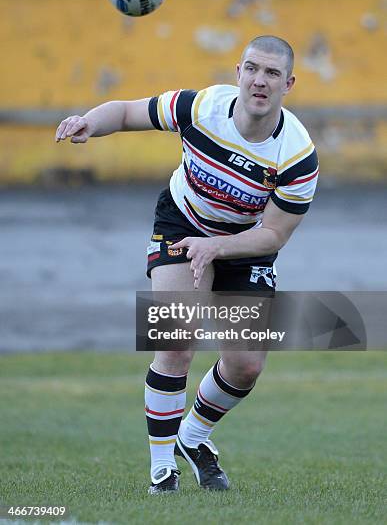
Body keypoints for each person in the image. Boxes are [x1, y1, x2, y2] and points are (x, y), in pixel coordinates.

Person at [56, 35, 318, 495]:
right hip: (182, 221)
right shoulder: (200, 109)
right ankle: (163, 472)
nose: (260, 80)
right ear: (238, 71)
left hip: (245, 245)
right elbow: (125, 111)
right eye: (252, 68)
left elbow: (274, 234)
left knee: (246, 367)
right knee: (176, 343)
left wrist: (217, 248)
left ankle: (193, 438)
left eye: (272, 73)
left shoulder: (297, 156)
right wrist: (88, 123)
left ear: (289, 84)